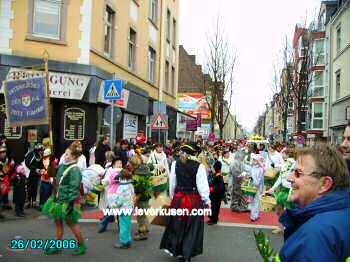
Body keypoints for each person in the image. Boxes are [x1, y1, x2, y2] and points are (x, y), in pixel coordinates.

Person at [277, 144, 350, 261]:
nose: (289, 178)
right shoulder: (342, 213)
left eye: (298, 173)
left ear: (324, 184)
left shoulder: (314, 235)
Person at [160, 142, 211, 262]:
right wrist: (207, 200)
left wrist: (173, 197)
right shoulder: (199, 166)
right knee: (191, 227)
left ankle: (178, 252)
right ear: (195, 153)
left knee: (177, 225)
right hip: (193, 200)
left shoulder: (175, 164)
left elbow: (172, 183)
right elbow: (202, 186)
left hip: (179, 199)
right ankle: (187, 253)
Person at [42, 142, 86, 255]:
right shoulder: (62, 166)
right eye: (65, 154)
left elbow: (74, 188)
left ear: (75, 157)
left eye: (67, 154)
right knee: (58, 223)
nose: (65, 156)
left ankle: (82, 245)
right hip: (57, 199)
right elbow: (53, 176)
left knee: (72, 224)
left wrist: (71, 203)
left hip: (68, 201)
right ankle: (58, 246)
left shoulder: (75, 170)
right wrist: (51, 164)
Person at [266, 145, 296, 234]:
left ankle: (288, 227)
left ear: (288, 154)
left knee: (289, 210)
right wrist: (273, 188)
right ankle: (281, 226)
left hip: (290, 190)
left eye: (283, 153)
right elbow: (281, 177)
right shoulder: (285, 163)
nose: (282, 154)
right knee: (279, 209)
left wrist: (291, 192)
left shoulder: (294, 164)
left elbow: (293, 179)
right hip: (283, 189)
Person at [111, 168, 134, 249]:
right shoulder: (130, 185)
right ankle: (128, 240)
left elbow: (119, 200)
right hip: (129, 208)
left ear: (122, 178)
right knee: (128, 225)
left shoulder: (121, 187)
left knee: (123, 226)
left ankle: (124, 242)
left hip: (123, 209)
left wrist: (114, 204)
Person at [98, 156, 122, 233]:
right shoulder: (111, 171)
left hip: (120, 194)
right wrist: (102, 183)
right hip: (112, 195)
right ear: (113, 165)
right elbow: (106, 180)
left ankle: (120, 228)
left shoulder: (123, 171)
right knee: (110, 211)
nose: (120, 165)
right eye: (118, 163)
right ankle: (104, 224)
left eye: (120, 163)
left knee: (119, 213)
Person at [25, 143, 44, 208]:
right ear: (37, 149)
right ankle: (28, 202)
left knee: (35, 189)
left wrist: (41, 169)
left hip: (36, 175)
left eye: (42, 150)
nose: (41, 151)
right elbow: (27, 163)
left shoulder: (40, 155)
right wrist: (34, 169)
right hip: (30, 175)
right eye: (40, 150)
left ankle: (34, 202)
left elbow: (41, 164)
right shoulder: (31, 154)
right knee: (29, 188)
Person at [207, 161, 225, 225]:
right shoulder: (218, 175)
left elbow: (219, 187)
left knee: (214, 207)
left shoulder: (218, 176)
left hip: (216, 195)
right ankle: (213, 218)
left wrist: (212, 189)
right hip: (215, 195)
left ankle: (214, 220)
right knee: (214, 207)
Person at [249, 154, 264, 222]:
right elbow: (249, 176)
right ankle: (255, 215)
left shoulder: (261, 169)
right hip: (251, 186)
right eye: (253, 160)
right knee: (253, 201)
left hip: (257, 187)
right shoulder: (252, 167)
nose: (253, 161)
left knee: (256, 201)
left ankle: (254, 215)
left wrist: (256, 184)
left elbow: (260, 180)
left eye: (255, 160)